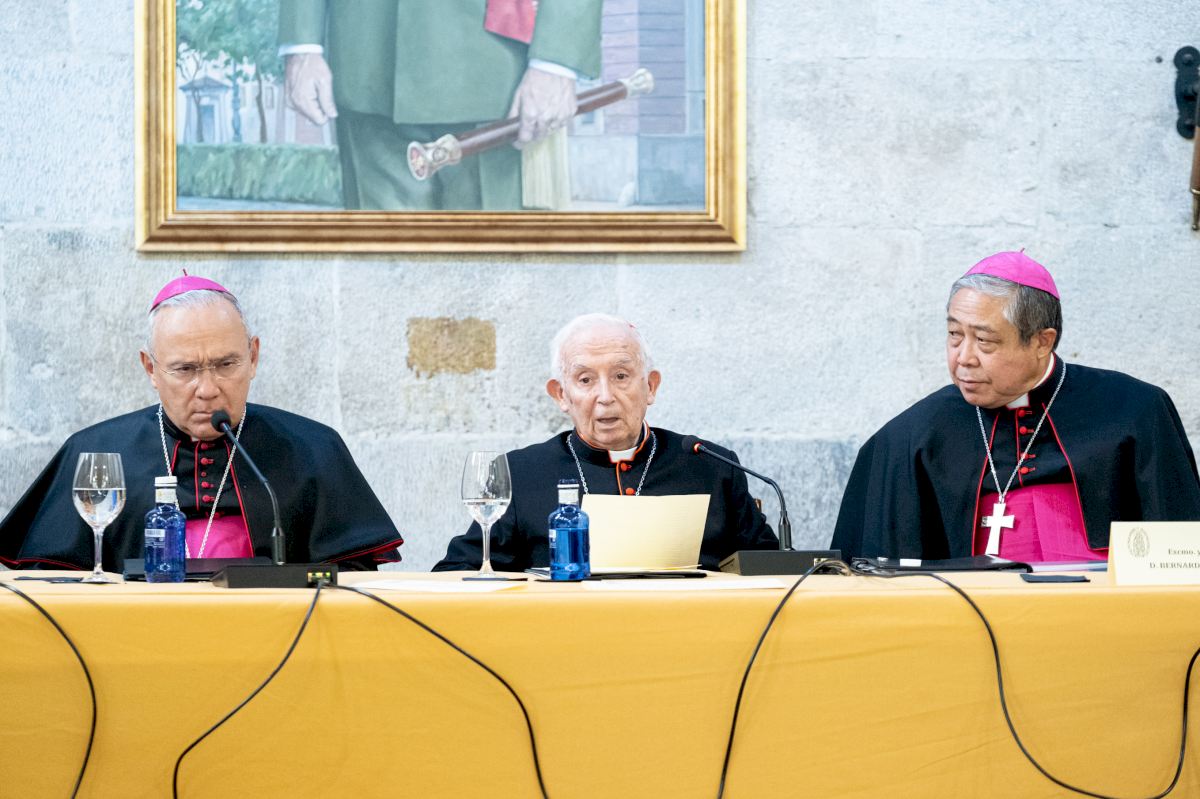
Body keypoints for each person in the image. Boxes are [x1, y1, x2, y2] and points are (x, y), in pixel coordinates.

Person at [0, 275, 403, 571]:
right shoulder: (96, 452)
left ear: (253, 357)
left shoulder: (313, 448)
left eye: (226, 364)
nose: (208, 389)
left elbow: (352, 584)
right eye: (185, 369)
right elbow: (48, 584)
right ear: (150, 368)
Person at [832, 251, 1200, 563]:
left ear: (1042, 342)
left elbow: (1179, 558)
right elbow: (869, 575)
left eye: (984, 341)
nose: (964, 358)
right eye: (955, 335)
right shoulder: (908, 437)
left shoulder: (1134, 411)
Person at [433, 314, 778, 572]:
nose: (605, 396)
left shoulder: (710, 466)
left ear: (651, 386)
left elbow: (773, 571)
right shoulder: (520, 473)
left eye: (621, 376)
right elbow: (459, 574)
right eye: (585, 379)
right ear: (561, 394)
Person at [277, 0, 604, 210]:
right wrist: (302, 42)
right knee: (380, 274)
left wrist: (556, 60)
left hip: (497, 74)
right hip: (370, 58)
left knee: (497, 276)